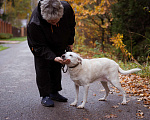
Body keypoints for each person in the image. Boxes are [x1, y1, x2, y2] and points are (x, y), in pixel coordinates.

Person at [27, 0, 76, 107]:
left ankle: (54, 92)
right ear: (45, 18)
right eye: (51, 22)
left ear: (61, 13)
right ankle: (45, 95)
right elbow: (38, 47)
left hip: (59, 39)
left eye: (57, 20)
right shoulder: (34, 23)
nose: (55, 23)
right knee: (43, 66)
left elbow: (71, 25)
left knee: (56, 66)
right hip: (41, 44)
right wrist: (53, 57)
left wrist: (70, 42)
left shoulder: (67, 8)